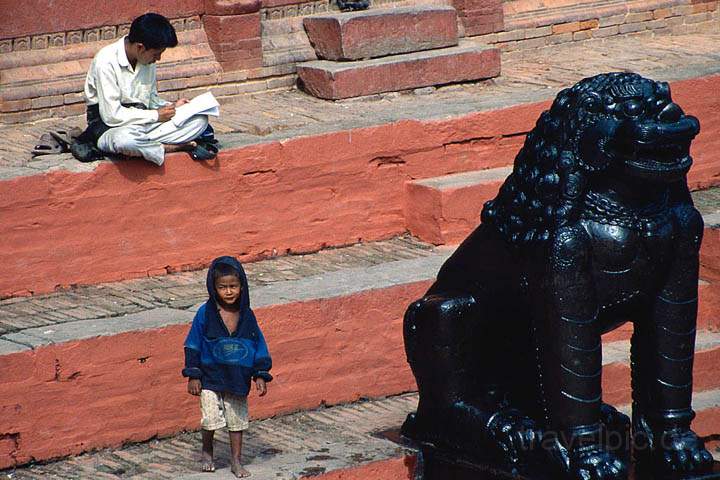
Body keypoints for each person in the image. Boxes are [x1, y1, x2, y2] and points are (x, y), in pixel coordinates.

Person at [76, 13, 217, 165]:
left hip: (144, 125)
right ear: (140, 47)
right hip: (111, 128)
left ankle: (145, 148)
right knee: (125, 141)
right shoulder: (105, 62)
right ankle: (171, 147)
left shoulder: (146, 61)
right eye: (156, 54)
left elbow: (150, 99)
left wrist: (172, 106)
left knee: (199, 121)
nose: (158, 59)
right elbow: (111, 115)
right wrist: (156, 116)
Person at [183, 256, 272, 477]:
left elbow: (258, 344)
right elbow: (193, 343)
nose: (229, 292)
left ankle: (236, 460)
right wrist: (193, 374)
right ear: (213, 289)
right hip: (210, 377)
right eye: (223, 287)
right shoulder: (205, 313)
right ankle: (207, 450)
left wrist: (260, 374)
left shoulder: (247, 316)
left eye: (233, 286)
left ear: (242, 286)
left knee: (237, 421)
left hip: (237, 377)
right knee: (210, 419)